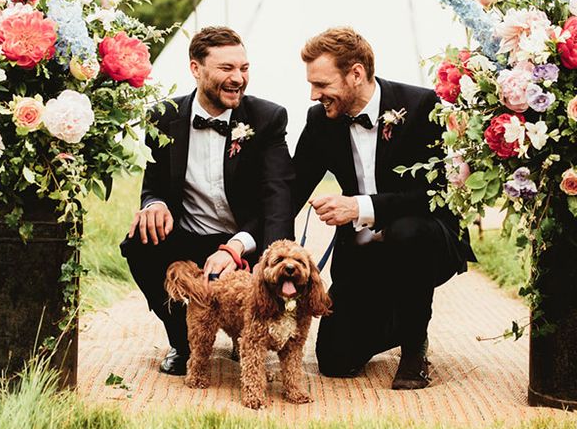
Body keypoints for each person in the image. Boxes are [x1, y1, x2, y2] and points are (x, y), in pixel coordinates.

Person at [292, 27, 474, 390]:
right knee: (335, 360)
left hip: (425, 238)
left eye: (322, 84)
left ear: (356, 74)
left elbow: (436, 192)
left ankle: (413, 346)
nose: (314, 95)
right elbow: (291, 187)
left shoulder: (423, 106)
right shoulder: (320, 121)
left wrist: (359, 206)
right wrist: (253, 244)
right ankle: (397, 313)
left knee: (408, 231)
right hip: (361, 252)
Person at [121, 26, 295, 375]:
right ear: (195, 69)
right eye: (226, 69)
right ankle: (183, 340)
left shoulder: (267, 118)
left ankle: (246, 330)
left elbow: (276, 202)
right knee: (139, 243)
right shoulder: (163, 117)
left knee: (272, 247)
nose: (238, 79)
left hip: (245, 240)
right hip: (189, 235)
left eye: (244, 68)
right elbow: (152, 185)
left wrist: (237, 247)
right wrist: (154, 204)